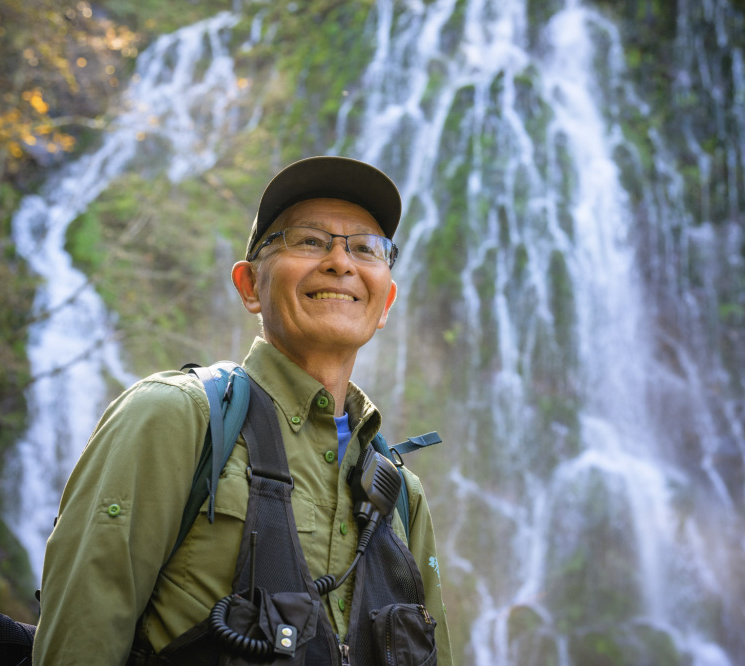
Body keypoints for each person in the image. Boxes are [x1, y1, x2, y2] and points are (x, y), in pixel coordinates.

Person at [31, 156, 453, 665]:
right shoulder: (177, 420)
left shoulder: (402, 496)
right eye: (309, 240)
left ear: (385, 303)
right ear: (250, 285)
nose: (341, 262)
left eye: (365, 248)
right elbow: (78, 645)